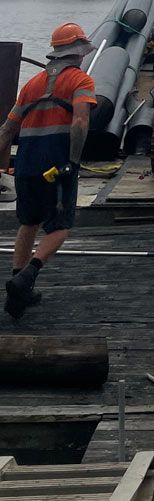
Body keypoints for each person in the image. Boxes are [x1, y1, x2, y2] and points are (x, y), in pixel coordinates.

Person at [0, 22, 97, 319]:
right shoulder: (81, 81)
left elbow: (6, 131)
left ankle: (18, 294)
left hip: (27, 163)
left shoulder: (31, 85)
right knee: (60, 225)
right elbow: (80, 121)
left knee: (28, 223)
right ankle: (28, 275)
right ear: (78, 52)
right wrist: (74, 160)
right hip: (57, 164)